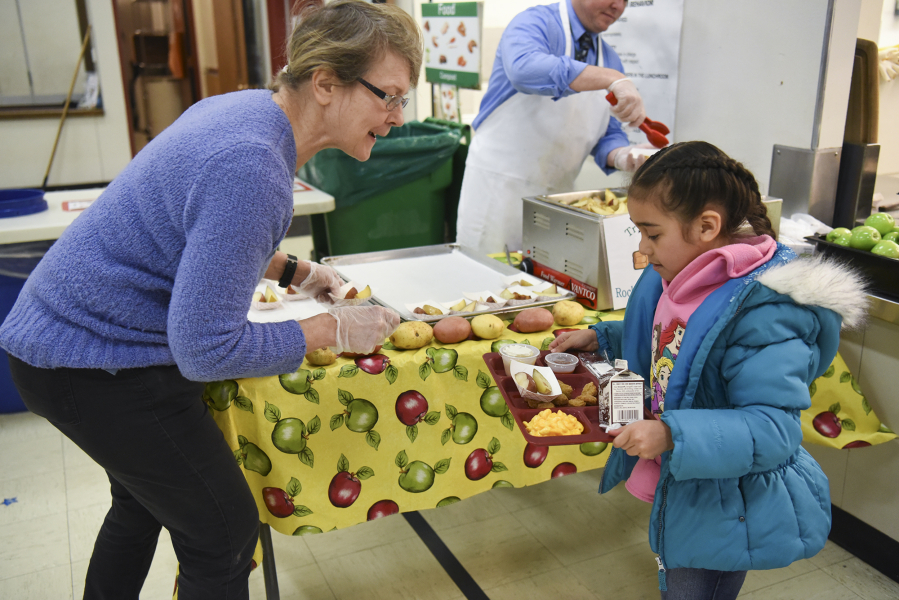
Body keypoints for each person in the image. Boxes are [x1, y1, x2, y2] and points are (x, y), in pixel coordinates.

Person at [0, 1, 420, 597]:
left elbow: (193, 228)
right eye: (391, 96)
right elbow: (204, 349)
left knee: (142, 505)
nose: (398, 117)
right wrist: (332, 331)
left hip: (56, 337)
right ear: (327, 83)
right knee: (222, 534)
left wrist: (294, 270)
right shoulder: (253, 166)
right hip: (92, 361)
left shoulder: (248, 110)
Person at [550, 141, 867, 599]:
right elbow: (679, 347)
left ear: (707, 225)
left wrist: (672, 435)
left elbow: (772, 429)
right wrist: (604, 338)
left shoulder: (767, 314)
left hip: (726, 500)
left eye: (651, 234)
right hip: (690, 480)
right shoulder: (682, 275)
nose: (642, 250)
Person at [456, 0, 653, 256]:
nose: (618, 6)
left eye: (627, 0)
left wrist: (624, 156)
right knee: (485, 283)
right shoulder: (535, 24)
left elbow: (607, 132)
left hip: (556, 203)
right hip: (498, 193)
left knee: (545, 285)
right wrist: (610, 78)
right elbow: (523, 70)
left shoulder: (610, 60)